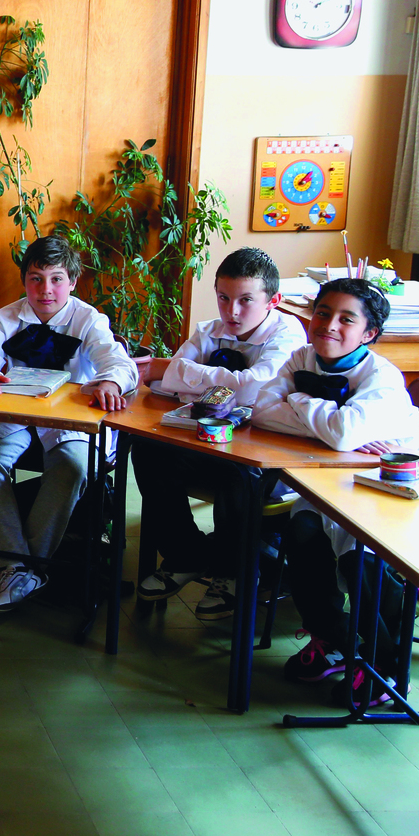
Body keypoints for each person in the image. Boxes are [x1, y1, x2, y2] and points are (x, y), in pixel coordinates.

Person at [250, 278, 419, 705]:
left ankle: (387, 668)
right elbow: (263, 413)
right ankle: (334, 641)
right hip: (325, 477)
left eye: (347, 318)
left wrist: (301, 404)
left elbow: (343, 436)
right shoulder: (300, 357)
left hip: (391, 480)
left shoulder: (382, 376)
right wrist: (330, 418)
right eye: (323, 313)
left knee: (360, 560)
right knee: (302, 532)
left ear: (369, 333)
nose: (329, 325)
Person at [0, 236, 137, 613]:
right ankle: (16, 568)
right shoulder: (9, 315)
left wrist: (110, 381)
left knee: (73, 467)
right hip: (18, 415)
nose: (45, 290)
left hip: (69, 423)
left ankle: (23, 568)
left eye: (56, 279)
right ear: (24, 280)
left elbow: (119, 362)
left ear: (72, 281)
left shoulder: (88, 319)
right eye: (36, 278)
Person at [134, 246, 307, 619]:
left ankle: (233, 573)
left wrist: (188, 376)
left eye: (246, 300)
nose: (232, 312)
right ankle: (186, 555)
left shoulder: (288, 335)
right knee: (147, 449)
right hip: (208, 444)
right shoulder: (209, 331)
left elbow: (254, 388)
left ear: (273, 301)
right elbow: (164, 383)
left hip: (268, 462)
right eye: (224, 298)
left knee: (237, 474)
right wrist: (201, 380)